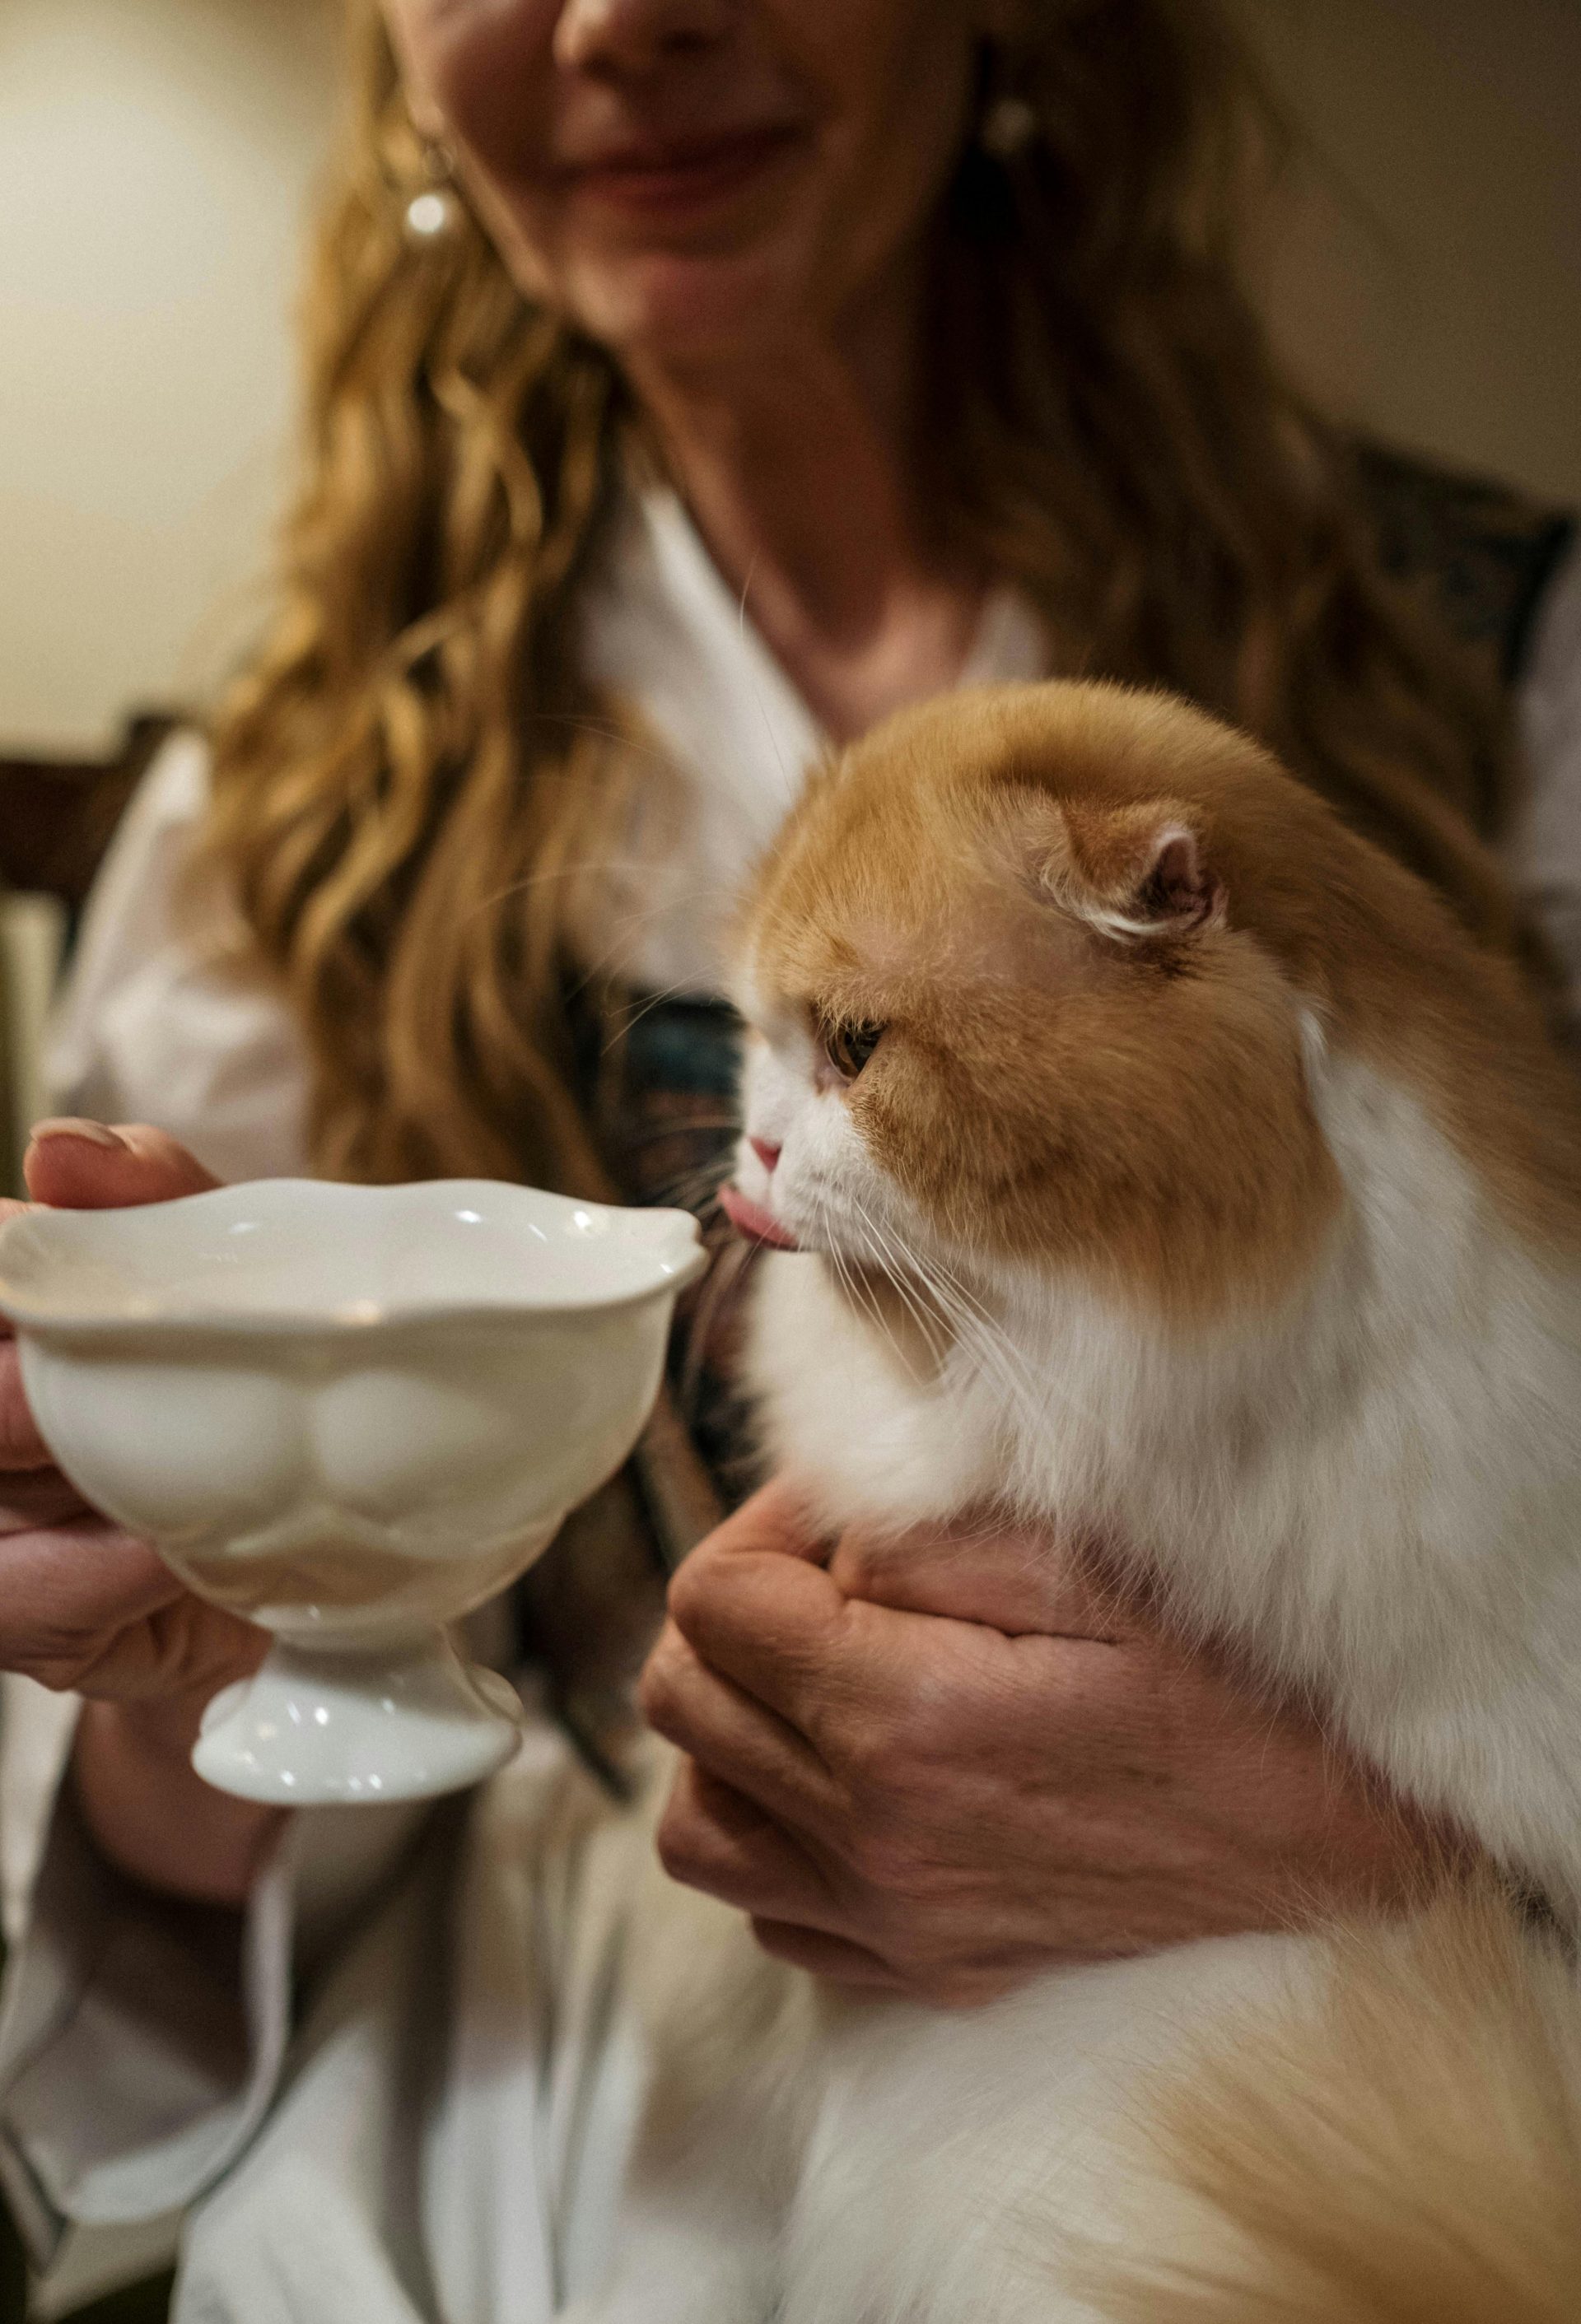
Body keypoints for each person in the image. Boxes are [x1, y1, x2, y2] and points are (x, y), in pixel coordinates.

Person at [2, 0, 1577, 2314]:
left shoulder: (1518, 678)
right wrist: (196, 1662)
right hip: (590, 2102)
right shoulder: (273, 840)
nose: (626, 19)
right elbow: (166, 1932)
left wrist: (1358, 1842)